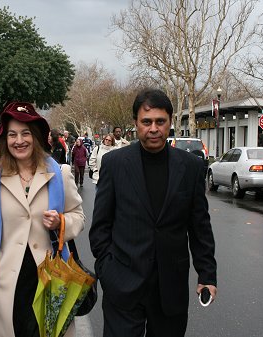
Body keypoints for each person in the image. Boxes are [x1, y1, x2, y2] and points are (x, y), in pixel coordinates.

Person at [89, 89, 217, 337]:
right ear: (136, 123)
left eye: (160, 121)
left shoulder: (190, 167)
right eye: (146, 122)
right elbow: (100, 226)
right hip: (122, 285)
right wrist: (108, 271)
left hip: (171, 288)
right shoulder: (115, 164)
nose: (154, 128)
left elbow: (199, 226)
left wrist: (207, 274)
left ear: (170, 122)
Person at [0, 101, 85, 337]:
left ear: (36, 137)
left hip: (49, 277)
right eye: (12, 135)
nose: (19, 141)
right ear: (5, 139)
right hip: (8, 280)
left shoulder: (60, 173)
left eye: (26, 133)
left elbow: (78, 215)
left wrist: (61, 223)